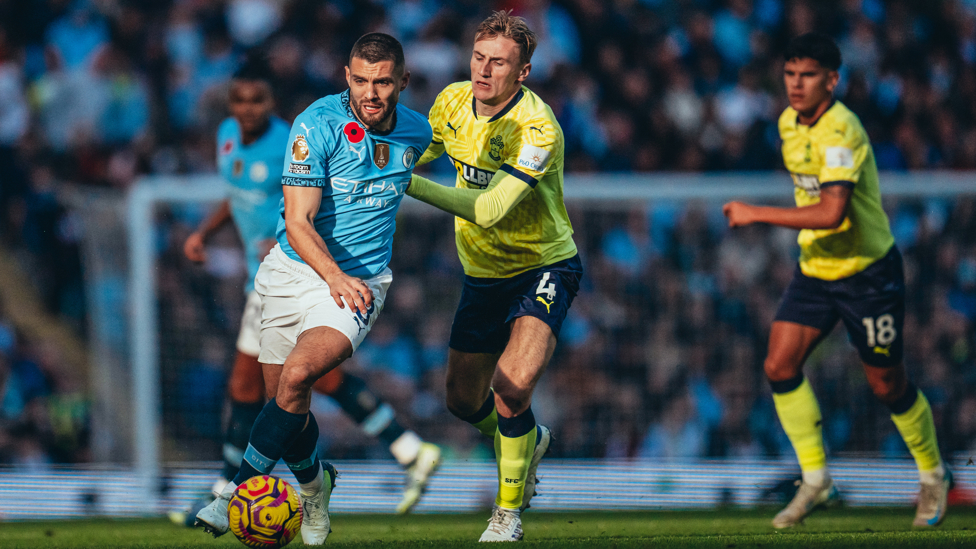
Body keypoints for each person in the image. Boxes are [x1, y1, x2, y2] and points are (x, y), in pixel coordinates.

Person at [194, 33, 435, 544]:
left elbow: (424, 175)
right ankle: (314, 487)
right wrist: (333, 275)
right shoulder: (315, 125)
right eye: (362, 80)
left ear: (402, 83)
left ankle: (236, 492)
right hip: (292, 271)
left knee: (300, 375)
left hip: (360, 283)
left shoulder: (418, 131)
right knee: (281, 398)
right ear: (347, 77)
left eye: (383, 82)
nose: (371, 93)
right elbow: (299, 222)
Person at [722, 32, 951, 529]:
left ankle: (933, 475)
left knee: (887, 385)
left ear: (832, 80)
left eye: (807, 75)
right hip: (817, 269)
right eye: (790, 74)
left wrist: (755, 213)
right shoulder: (787, 123)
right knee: (779, 364)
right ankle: (816, 479)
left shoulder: (841, 130)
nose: (796, 85)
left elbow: (831, 213)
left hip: (868, 274)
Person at [406, 11, 582, 542]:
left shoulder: (538, 128)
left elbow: (490, 208)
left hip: (542, 265)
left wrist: (403, 183)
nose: (484, 71)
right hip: (481, 272)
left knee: (511, 386)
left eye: (499, 63)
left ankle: (506, 516)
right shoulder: (453, 101)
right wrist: (386, 161)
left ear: (522, 72)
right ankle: (529, 439)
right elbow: (422, 153)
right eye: (479, 57)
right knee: (462, 400)